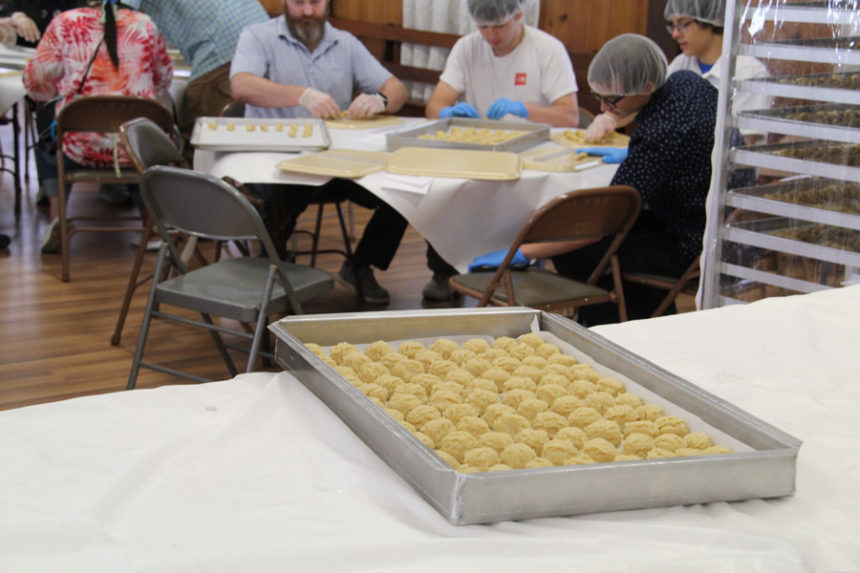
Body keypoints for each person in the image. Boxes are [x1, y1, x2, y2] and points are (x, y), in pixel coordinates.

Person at [479, 34, 717, 324]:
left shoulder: (657, 135)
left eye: (612, 100)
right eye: (599, 98)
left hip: (689, 243)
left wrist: (521, 252)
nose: (604, 108)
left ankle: (611, 332)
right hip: (713, 225)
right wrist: (629, 142)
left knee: (581, 251)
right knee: (602, 245)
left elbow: (605, 222)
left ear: (647, 86)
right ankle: (648, 317)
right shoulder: (686, 82)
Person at [230, 0, 410, 306]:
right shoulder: (258, 36)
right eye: (298, 2)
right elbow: (241, 86)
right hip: (272, 163)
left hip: (333, 162)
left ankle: (362, 264)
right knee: (288, 186)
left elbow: (397, 89)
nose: (307, 11)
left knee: (403, 189)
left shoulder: (346, 43)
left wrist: (380, 99)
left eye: (315, 2)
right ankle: (273, 268)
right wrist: (300, 94)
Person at [421, 0, 580, 301]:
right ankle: (442, 270)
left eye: (499, 26)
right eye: (483, 27)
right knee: (442, 187)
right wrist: (447, 112)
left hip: (534, 154)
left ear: (519, 15)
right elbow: (435, 105)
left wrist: (523, 108)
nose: (491, 35)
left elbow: (569, 116)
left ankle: (519, 262)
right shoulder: (467, 47)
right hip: (481, 152)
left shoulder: (546, 49)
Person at [23, 0, 173, 253]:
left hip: (80, 149)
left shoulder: (65, 23)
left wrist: (58, 93)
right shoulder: (145, 25)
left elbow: (35, 81)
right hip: (136, 148)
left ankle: (56, 218)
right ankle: (152, 226)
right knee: (139, 138)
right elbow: (164, 79)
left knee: (49, 133)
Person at [585, 0, 770, 144]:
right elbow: (647, 106)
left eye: (683, 24)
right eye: (672, 25)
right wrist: (608, 119)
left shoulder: (750, 74)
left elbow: (745, 144)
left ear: (711, 20)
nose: (675, 34)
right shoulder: (680, 65)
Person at [123, 0, 269, 162]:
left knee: (197, 149)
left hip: (220, 47)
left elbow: (119, 15)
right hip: (259, 29)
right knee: (254, 149)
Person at [0, 0, 78, 47]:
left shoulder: (71, 3)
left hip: (53, 55)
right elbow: (6, 13)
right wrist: (18, 17)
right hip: (21, 51)